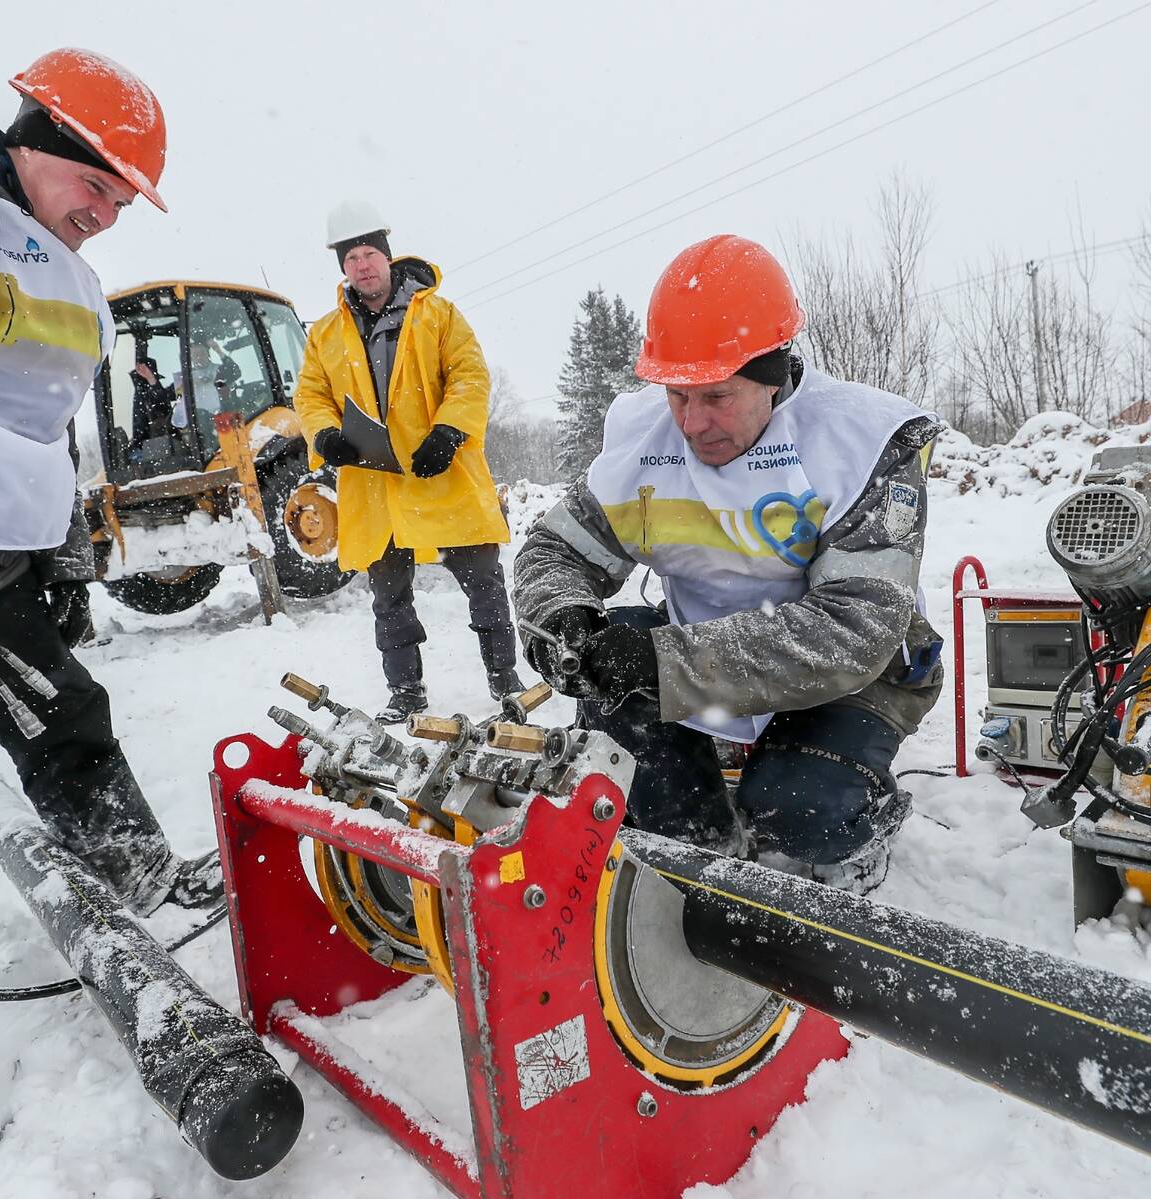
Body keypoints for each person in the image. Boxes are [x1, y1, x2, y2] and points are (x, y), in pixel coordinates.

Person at [0, 48, 222, 1199]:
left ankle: (137, 868)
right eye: (104, 187)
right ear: (44, 141)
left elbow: (46, 426)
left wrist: (68, 554)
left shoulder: (64, 270)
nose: (110, 216)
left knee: (67, 715)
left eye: (124, 201)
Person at [514, 234, 943, 896]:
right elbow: (556, 550)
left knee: (801, 815)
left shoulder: (862, 445)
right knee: (635, 765)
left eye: (717, 396)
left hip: (857, 677)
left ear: (772, 374)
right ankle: (694, 853)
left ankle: (862, 823)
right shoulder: (644, 443)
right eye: (677, 396)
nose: (692, 423)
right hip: (700, 654)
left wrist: (664, 663)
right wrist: (562, 618)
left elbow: (853, 633)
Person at [296, 200, 523, 723]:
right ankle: (406, 694)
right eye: (351, 257)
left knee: (484, 584)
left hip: (441, 473)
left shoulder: (438, 315)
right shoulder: (325, 334)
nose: (363, 265)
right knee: (389, 599)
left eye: (370, 253)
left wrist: (449, 430)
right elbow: (311, 395)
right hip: (375, 486)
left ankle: (506, 682)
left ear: (389, 257)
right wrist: (326, 435)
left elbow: (469, 375)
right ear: (342, 267)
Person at [171, 340, 241, 458]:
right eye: (195, 355)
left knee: (202, 418)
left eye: (202, 354)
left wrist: (219, 351)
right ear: (191, 359)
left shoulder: (218, 370)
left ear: (208, 354)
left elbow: (235, 372)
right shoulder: (185, 378)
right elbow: (171, 395)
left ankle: (210, 451)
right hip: (197, 423)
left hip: (221, 418)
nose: (199, 357)